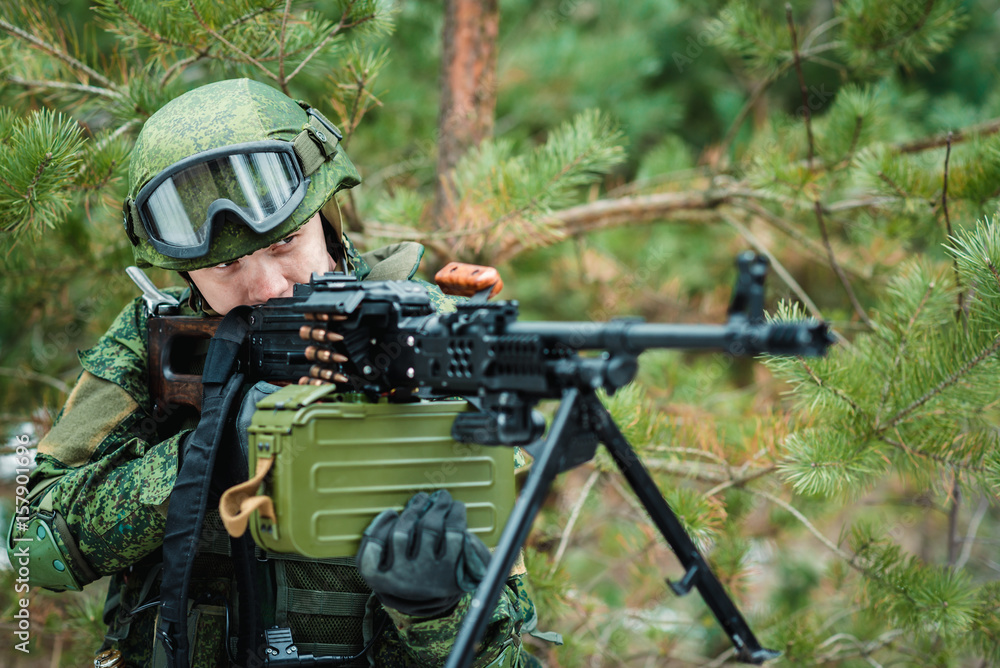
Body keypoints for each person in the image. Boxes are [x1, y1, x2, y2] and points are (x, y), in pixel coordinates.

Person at [12, 79, 546, 667]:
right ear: (184, 271)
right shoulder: (158, 337)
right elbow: (32, 545)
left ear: (326, 211)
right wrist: (205, 453)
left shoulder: (427, 336)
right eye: (227, 266)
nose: (266, 287)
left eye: (287, 242)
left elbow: (506, 657)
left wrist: (435, 613)